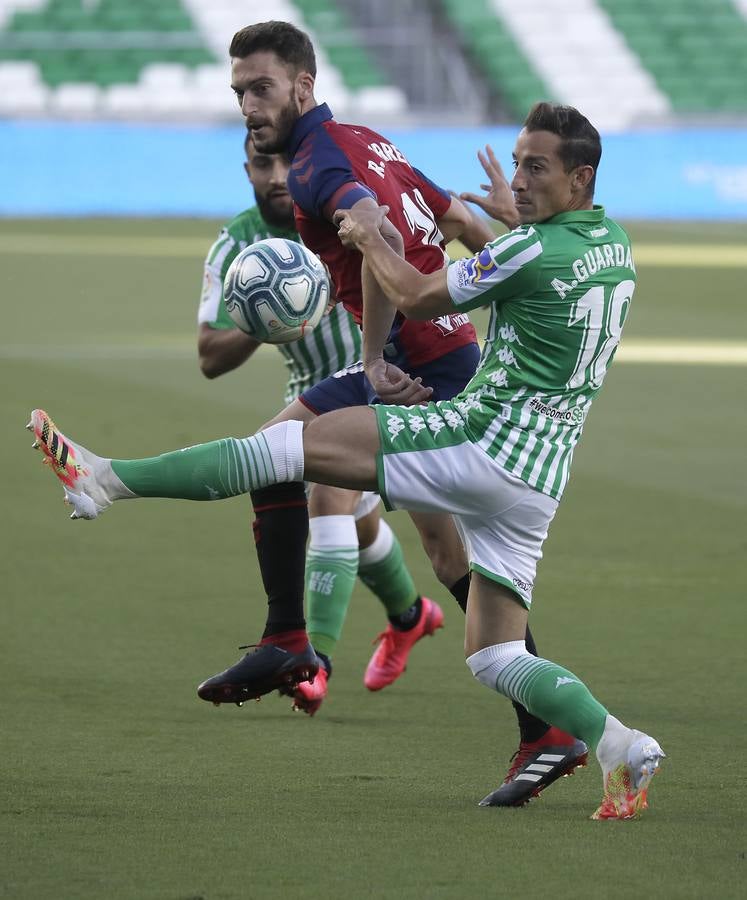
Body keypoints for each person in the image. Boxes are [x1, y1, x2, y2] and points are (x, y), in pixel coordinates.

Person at [28, 101, 666, 820]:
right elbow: (543, 261)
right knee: (495, 656)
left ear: (578, 177)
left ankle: (103, 480)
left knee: (282, 449)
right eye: (516, 162)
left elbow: (420, 292)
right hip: (539, 478)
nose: (517, 177)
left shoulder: (525, 248)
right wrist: (514, 221)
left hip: (478, 439)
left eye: (535, 167)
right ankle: (618, 743)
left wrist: (368, 237)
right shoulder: (610, 242)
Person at [197, 133, 436, 717]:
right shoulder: (237, 243)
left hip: (385, 380)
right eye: (262, 164)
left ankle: (315, 662)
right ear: (245, 169)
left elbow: (421, 238)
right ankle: (410, 617)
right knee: (354, 519)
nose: (277, 175)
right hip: (310, 390)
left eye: (285, 163)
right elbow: (208, 356)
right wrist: (268, 313)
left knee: (335, 500)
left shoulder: (342, 205)